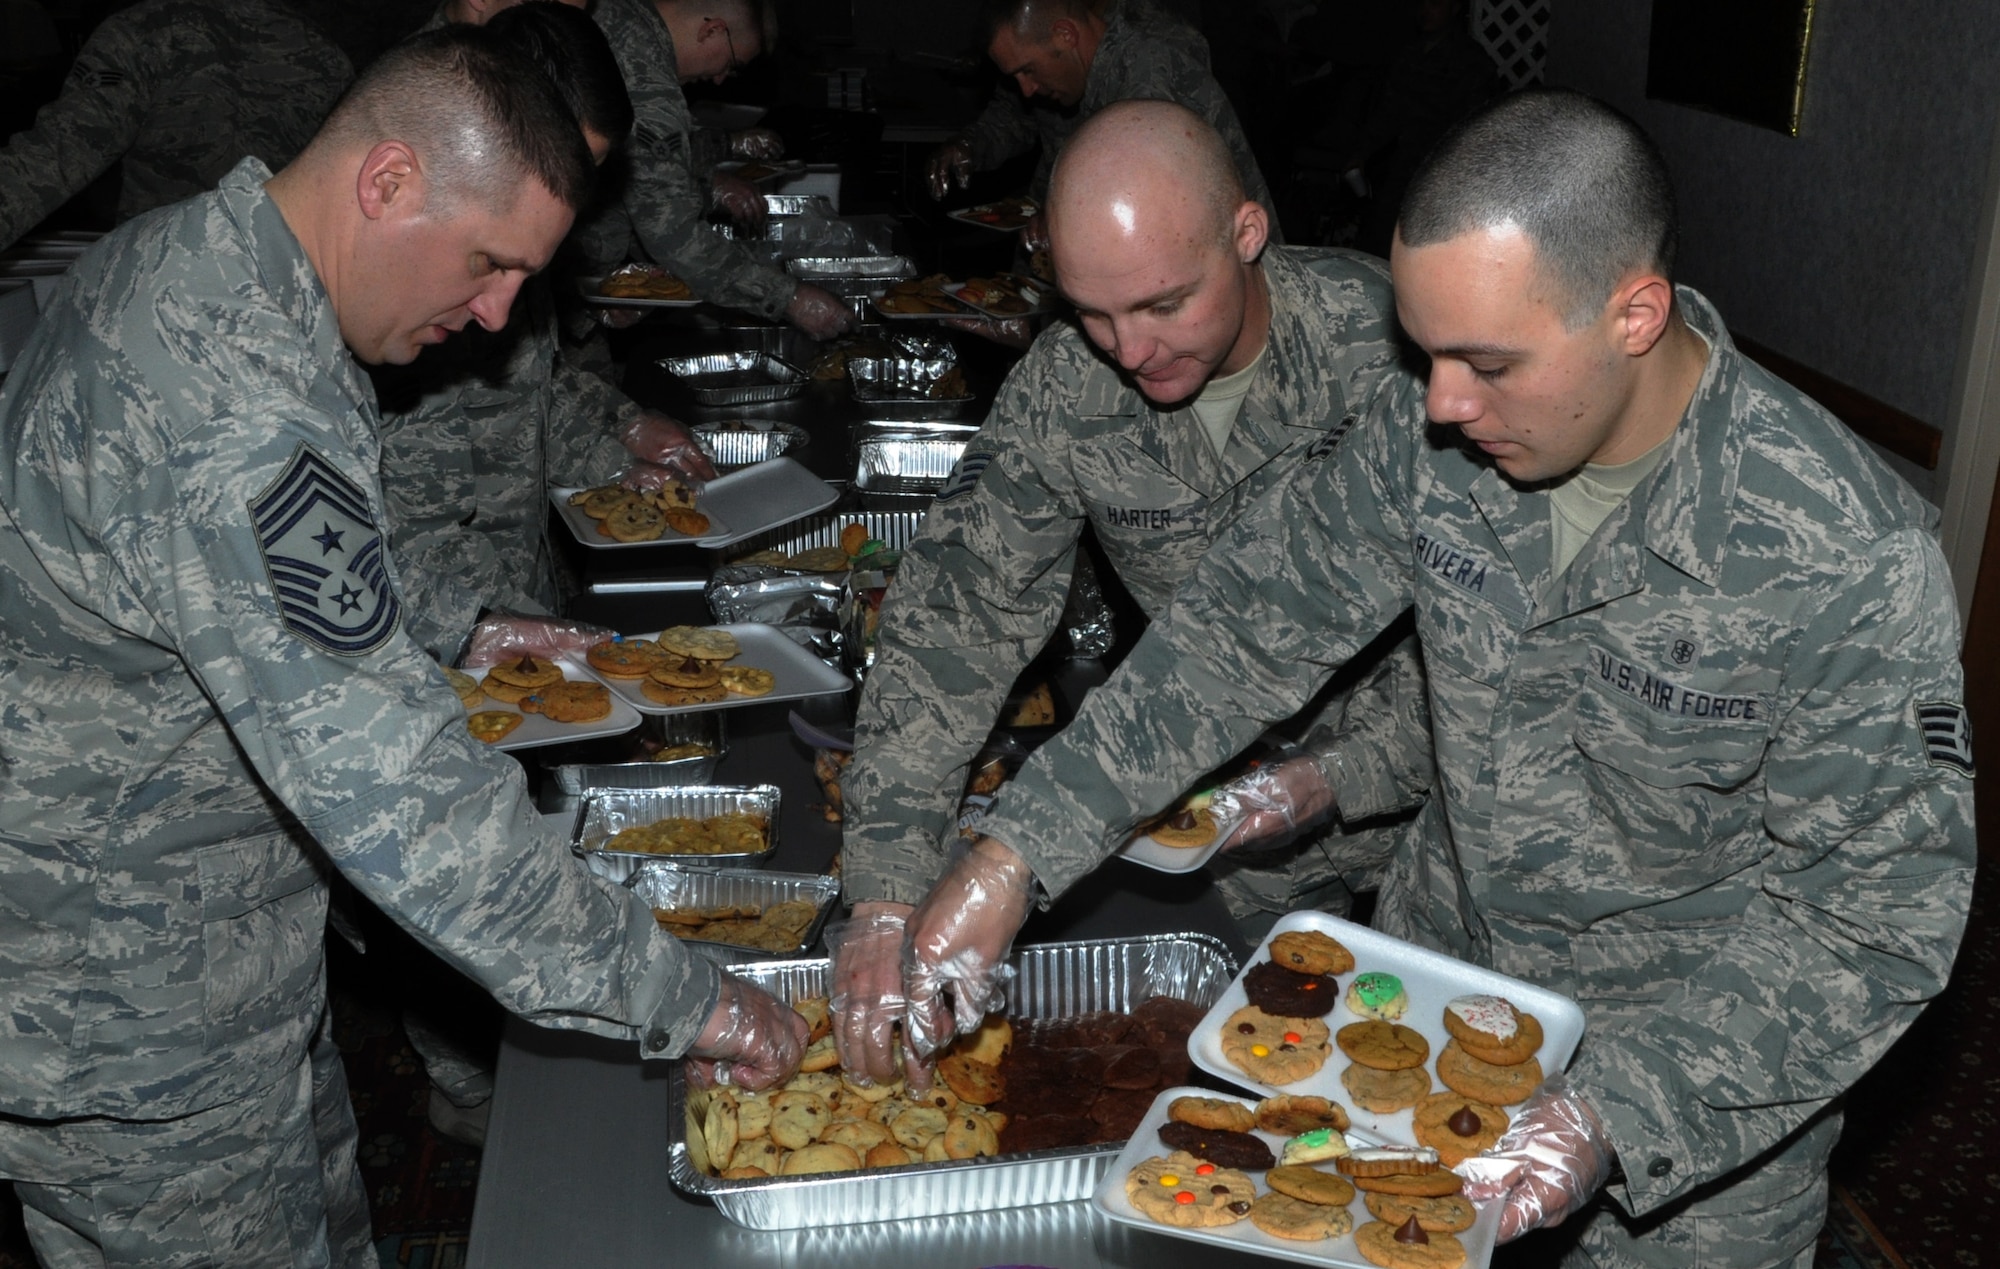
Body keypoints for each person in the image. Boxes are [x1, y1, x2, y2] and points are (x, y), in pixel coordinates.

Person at [895, 90, 1977, 1267]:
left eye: (1485, 363)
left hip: (1689, 1135)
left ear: (1633, 313)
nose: (1442, 405)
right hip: (1411, 1028)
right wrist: (1015, 857)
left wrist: (1615, 1114)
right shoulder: (1435, 440)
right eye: (1423, 354)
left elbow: (1876, 914)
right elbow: (1232, 637)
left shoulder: (1839, 552)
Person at [0, 28, 803, 1265]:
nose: (493, 315)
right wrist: (690, 997)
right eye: (487, 264)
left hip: (217, 960)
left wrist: (462, 623)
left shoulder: (202, 262)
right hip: (128, 1015)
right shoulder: (234, 396)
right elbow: (411, 808)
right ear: (386, 183)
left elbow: (238, 571)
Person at [833, 99, 1428, 1088]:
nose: (1130, 349)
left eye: (1161, 306)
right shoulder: (1068, 387)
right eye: (1093, 312)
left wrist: (1345, 772)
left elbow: (1498, 635)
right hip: (1210, 836)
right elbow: (956, 616)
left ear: (1247, 234)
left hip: (1433, 834)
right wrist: (886, 892)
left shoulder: (1398, 355)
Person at [377, 0, 714, 666]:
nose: (571, 191)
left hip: (514, 590)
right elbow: (423, 526)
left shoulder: (511, 243)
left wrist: (619, 447)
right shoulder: (427, 272)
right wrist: (511, 630)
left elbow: (531, 388)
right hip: (450, 632)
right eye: (564, 161)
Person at [579, 0, 854, 339]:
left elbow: (645, 167)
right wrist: (791, 299)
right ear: (713, 30)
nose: (722, 79)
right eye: (732, 64)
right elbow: (673, 233)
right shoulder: (648, 80)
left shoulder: (617, 15)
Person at [0, 0, 353, 253]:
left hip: (157, 276)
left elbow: (53, 161)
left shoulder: (143, 34)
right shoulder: (323, 52)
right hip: (277, 280)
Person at [926, 0, 1279, 237]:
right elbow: (1016, 115)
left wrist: (1066, 217)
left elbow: (1153, 187)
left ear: (1066, 35)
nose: (1027, 89)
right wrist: (972, 144)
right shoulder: (1054, 58)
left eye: (1028, 71)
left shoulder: (1151, 62)